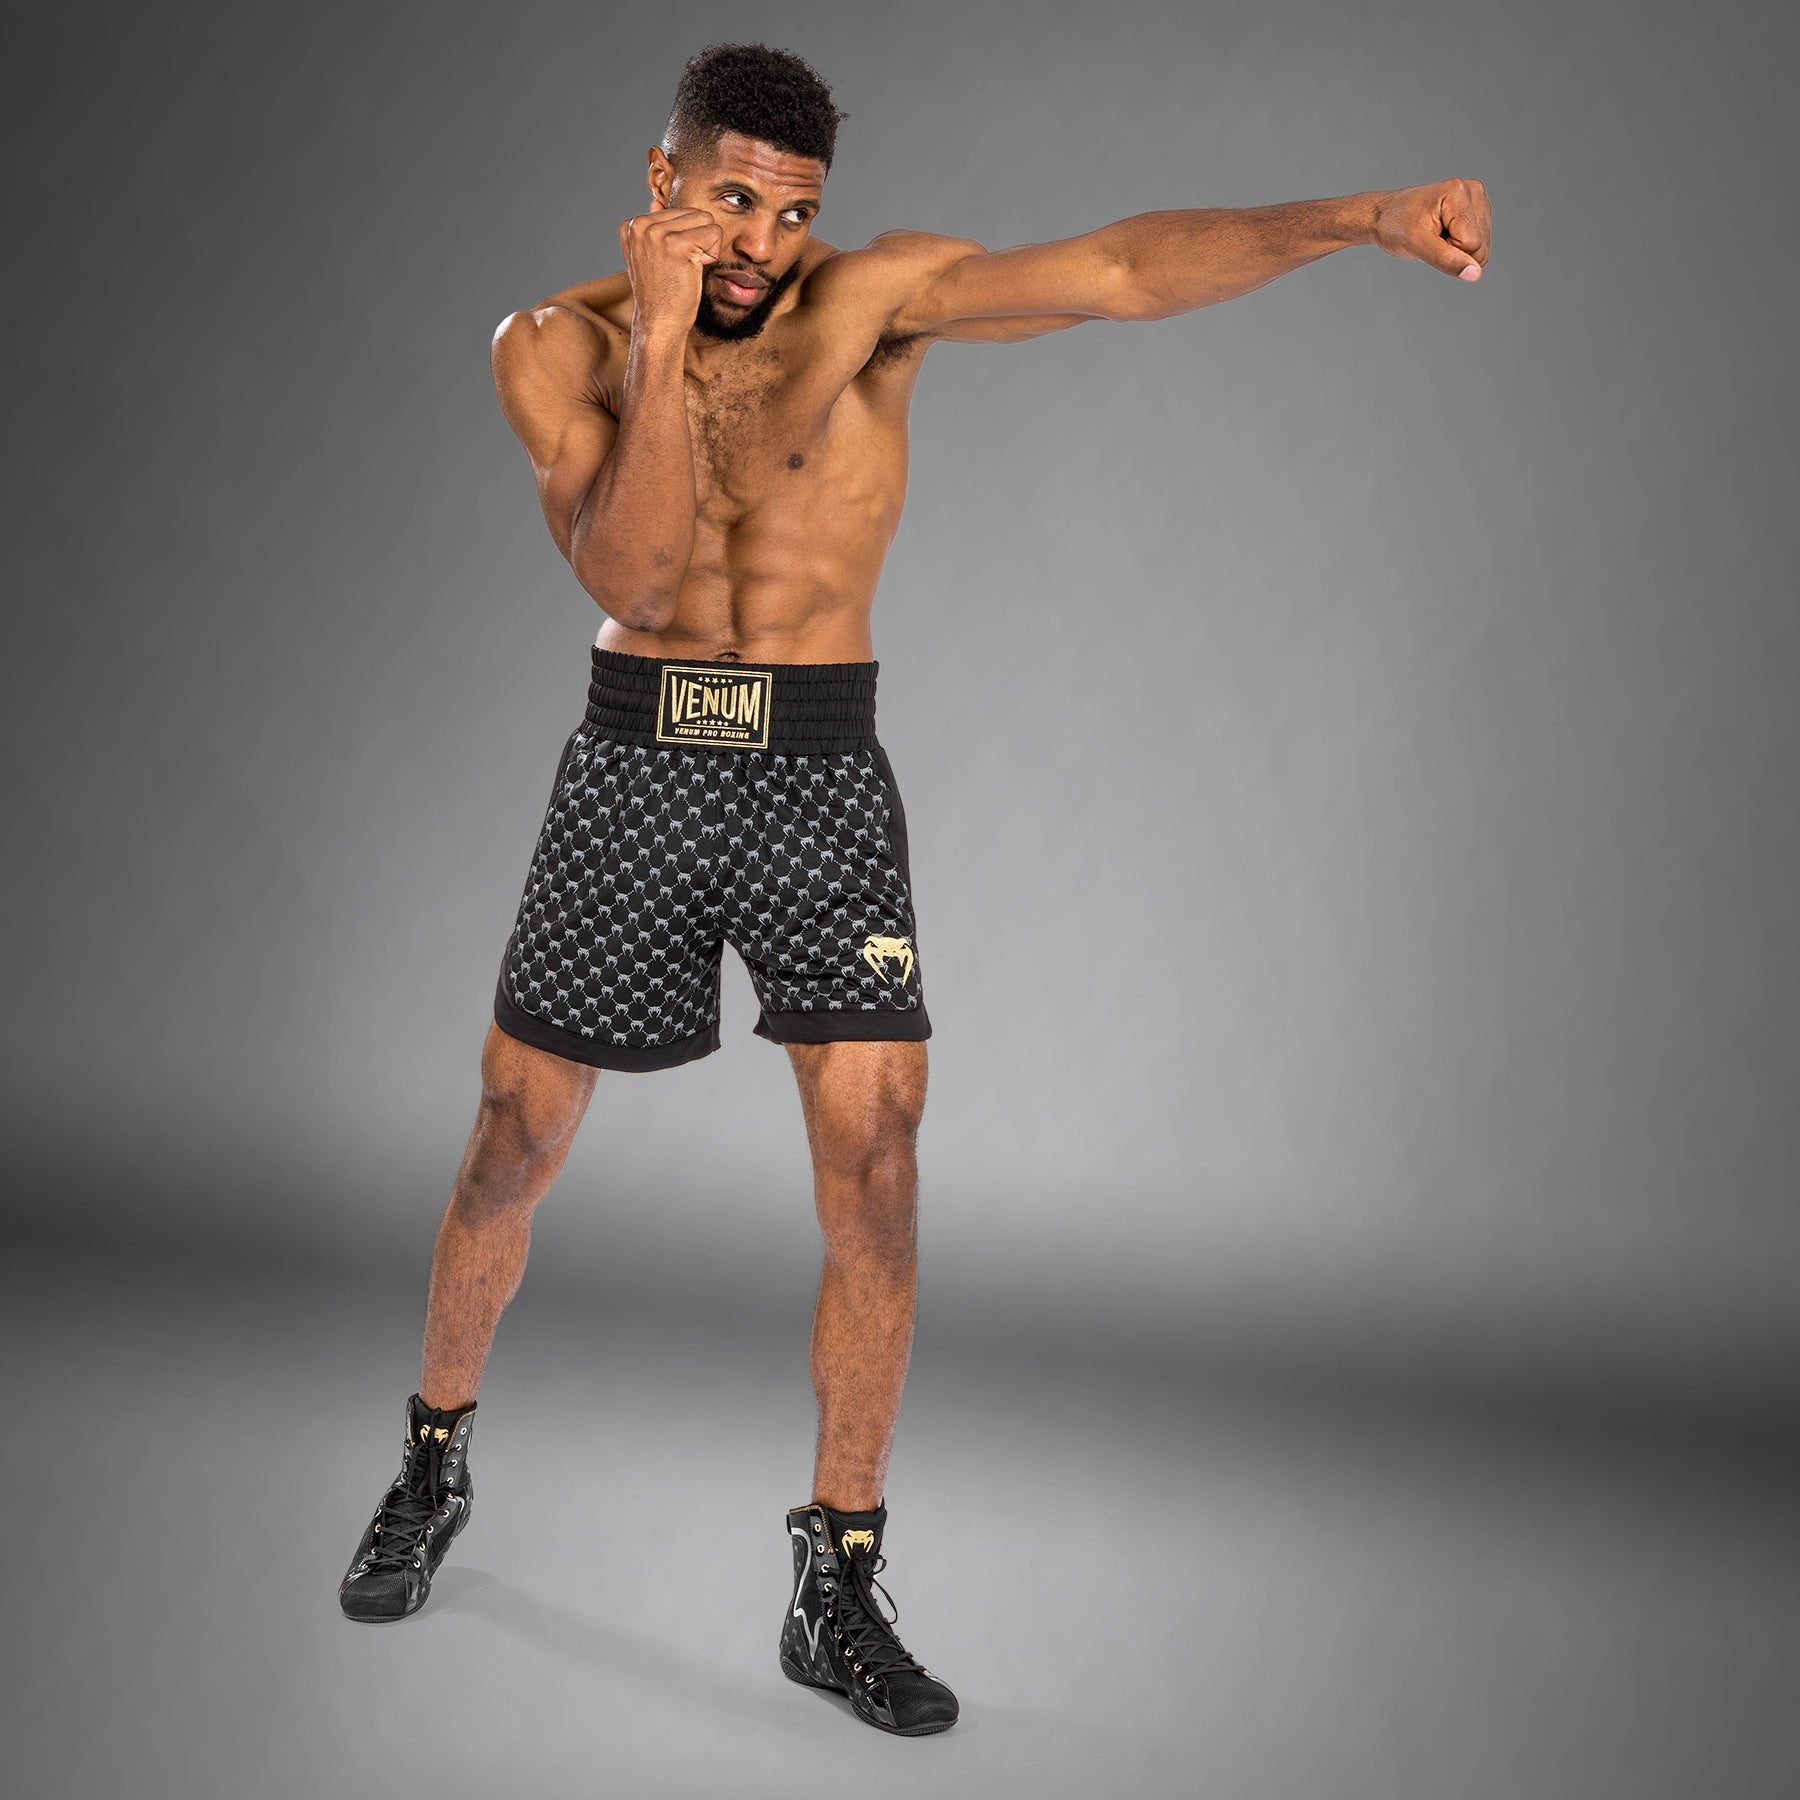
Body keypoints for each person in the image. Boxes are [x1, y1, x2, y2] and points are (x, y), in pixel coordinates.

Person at [337, 41, 1490, 1738]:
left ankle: (839, 1577)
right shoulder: (551, 346)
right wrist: (662, 337)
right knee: (513, 1137)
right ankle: (433, 1460)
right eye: (731, 199)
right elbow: (635, 567)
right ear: (662, 183)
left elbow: (1118, 270)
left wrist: (1364, 218)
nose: (762, 241)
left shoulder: (871, 307)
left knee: (876, 1164)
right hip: (638, 760)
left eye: (792, 211)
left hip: (816, 768)